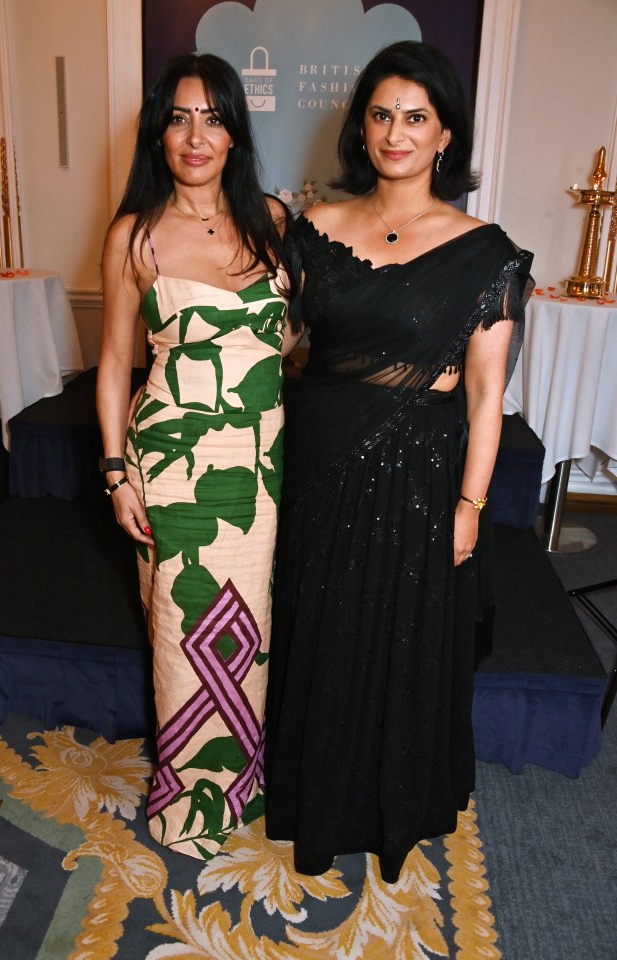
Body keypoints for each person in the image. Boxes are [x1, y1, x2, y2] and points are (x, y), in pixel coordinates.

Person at [264, 40, 533, 884]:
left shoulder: (486, 251)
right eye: (382, 115)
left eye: (415, 117)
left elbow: (486, 395)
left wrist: (469, 506)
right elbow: (273, 347)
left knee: (400, 636)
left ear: (445, 134)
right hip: (319, 459)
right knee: (323, 627)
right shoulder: (313, 230)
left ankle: (389, 802)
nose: (396, 132)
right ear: (362, 126)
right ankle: (315, 795)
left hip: (420, 472)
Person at [96, 52, 298, 859]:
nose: (195, 135)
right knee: (182, 631)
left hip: (258, 463)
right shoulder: (135, 235)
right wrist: (116, 472)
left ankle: (236, 779)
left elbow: (303, 339)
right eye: (179, 117)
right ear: (159, 133)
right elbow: (114, 362)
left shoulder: (275, 222)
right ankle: (188, 796)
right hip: (173, 462)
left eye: (213, 117)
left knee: (249, 625)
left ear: (235, 134)